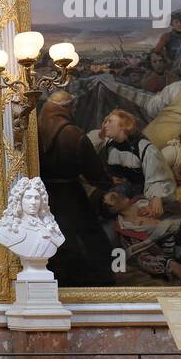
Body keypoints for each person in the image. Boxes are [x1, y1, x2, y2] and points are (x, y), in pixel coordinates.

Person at [37, 90, 115, 286]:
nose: (74, 111)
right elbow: (95, 174)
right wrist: (108, 183)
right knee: (87, 239)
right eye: (73, 107)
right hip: (70, 194)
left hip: (42, 196)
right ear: (66, 108)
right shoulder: (73, 134)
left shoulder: (32, 129)